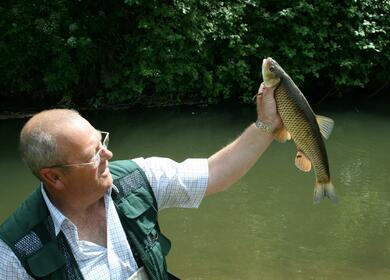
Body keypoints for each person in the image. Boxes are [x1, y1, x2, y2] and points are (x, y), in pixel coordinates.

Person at [0, 83, 281, 280]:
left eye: (102, 143)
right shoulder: (13, 253)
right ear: (54, 176)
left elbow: (217, 173)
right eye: (93, 155)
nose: (107, 154)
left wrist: (266, 124)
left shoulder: (137, 179)